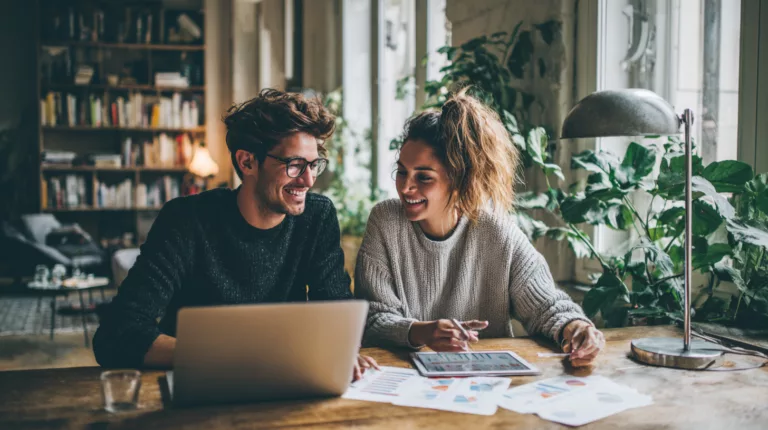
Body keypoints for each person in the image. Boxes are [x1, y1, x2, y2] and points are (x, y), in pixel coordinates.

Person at [93, 89, 377, 380]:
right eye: (294, 165)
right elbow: (117, 334)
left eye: (314, 164)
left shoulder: (316, 217)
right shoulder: (186, 220)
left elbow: (337, 313)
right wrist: (232, 359)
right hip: (200, 379)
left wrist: (341, 349)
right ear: (247, 162)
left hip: (285, 380)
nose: (308, 179)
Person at [354, 89, 605, 367]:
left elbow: (546, 306)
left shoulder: (496, 231)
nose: (405, 186)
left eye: (424, 177)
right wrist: (422, 331)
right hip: (404, 380)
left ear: (461, 181)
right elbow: (373, 321)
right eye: (402, 171)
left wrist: (576, 327)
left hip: (486, 382)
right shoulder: (386, 222)